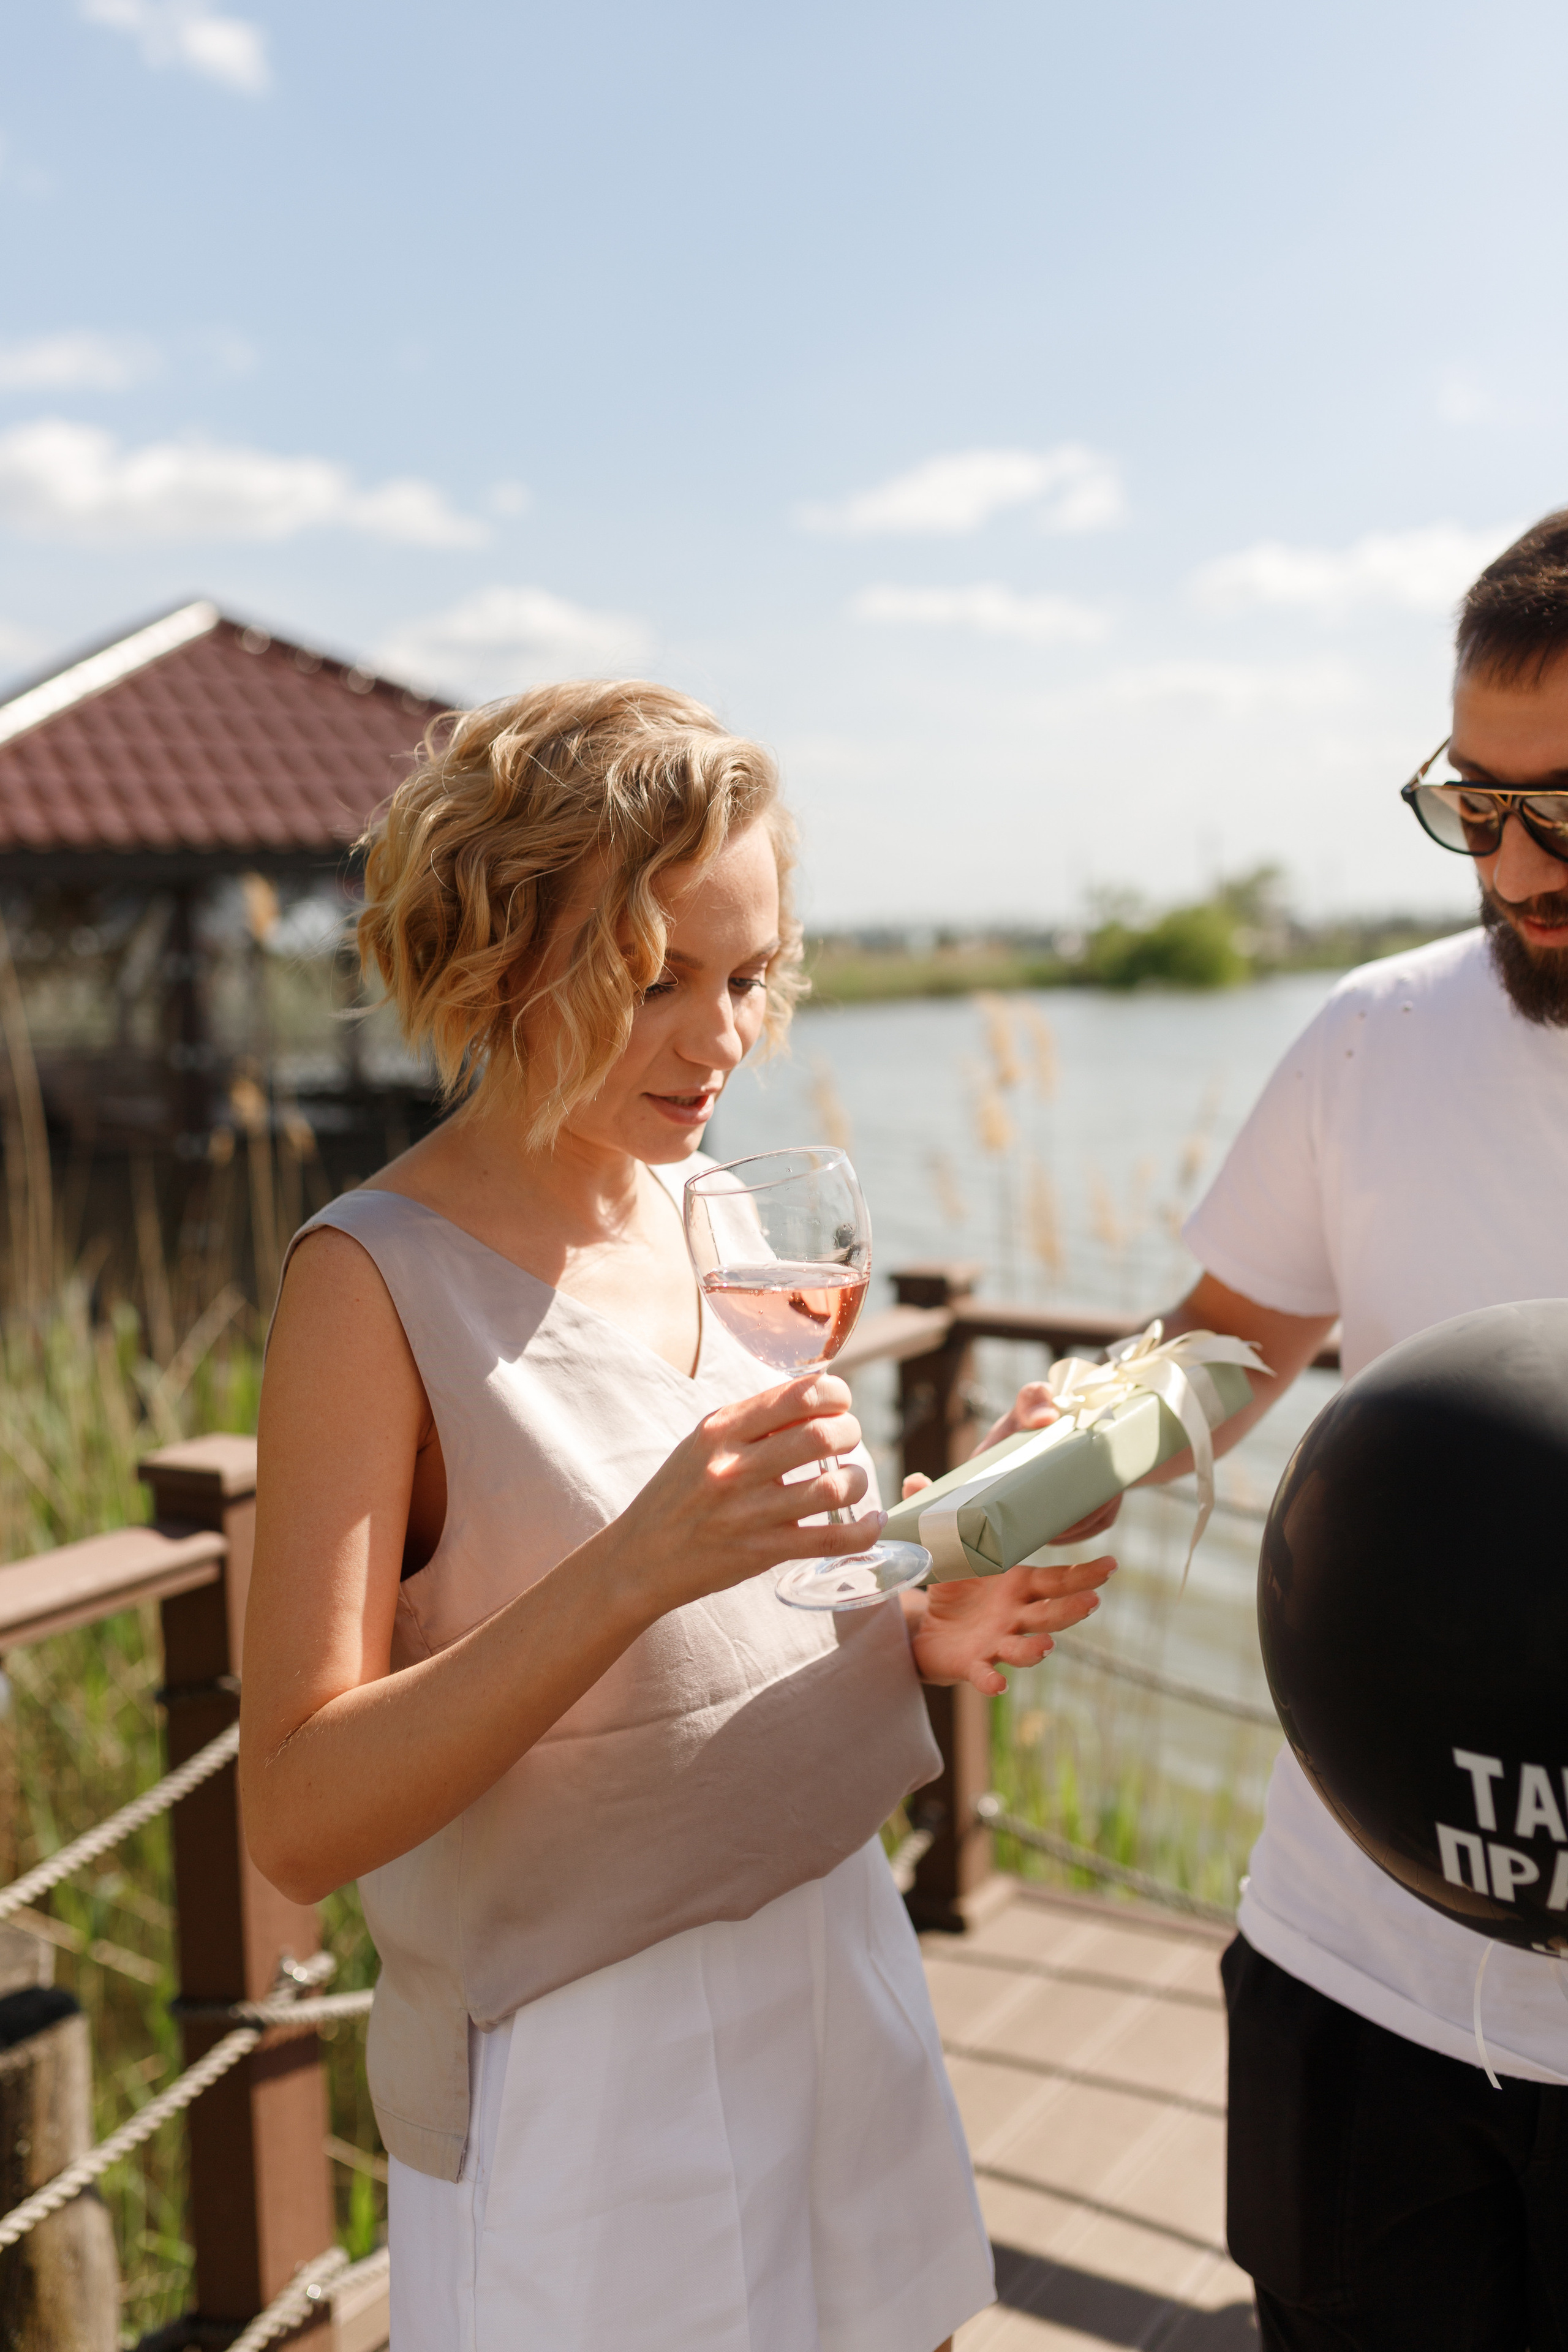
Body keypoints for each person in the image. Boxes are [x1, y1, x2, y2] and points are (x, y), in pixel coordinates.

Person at [239, 679, 1115, 2352]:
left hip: (839, 1955)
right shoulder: (372, 1282)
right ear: (496, 951)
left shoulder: (725, 1215)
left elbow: (745, 1621)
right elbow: (296, 1812)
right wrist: (631, 1567)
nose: (722, 1040)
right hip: (590, 2075)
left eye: (749, 976)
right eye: (653, 979)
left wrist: (919, 1610)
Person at [994, 512, 1568, 2346]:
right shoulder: (1372, 1037)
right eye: (1476, 802)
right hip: (1362, 1969)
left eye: (1566, 809)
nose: (1516, 863)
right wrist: (1050, 1466)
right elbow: (1231, 1346)